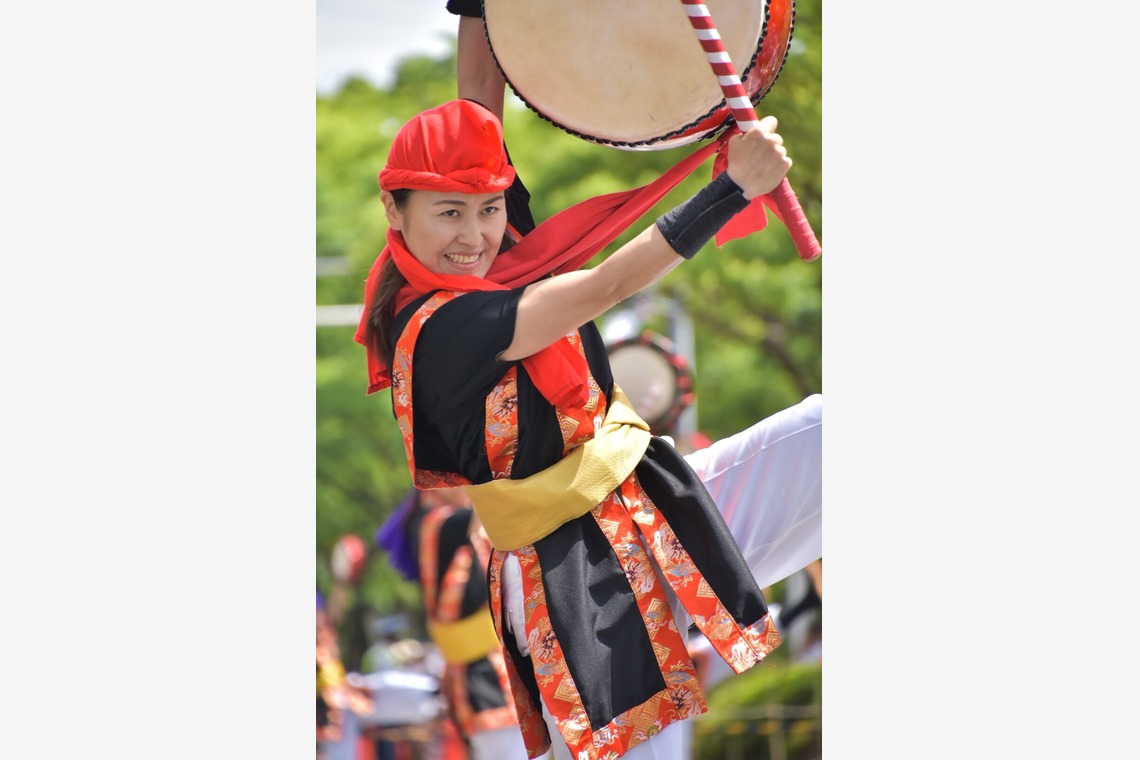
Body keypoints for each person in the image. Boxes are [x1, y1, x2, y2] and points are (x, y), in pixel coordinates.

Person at [355, 98, 821, 760]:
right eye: (449, 213)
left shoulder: (499, 257)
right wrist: (732, 189)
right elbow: (603, 286)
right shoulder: (440, 328)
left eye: (489, 209)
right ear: (395, 213)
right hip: (574, 574)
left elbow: (478, 110)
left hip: (645, 504)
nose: (475, 233)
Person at [377, 486, 540, 760]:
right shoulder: (434, 524)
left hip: (490, 671)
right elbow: (492, 501)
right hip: (483, 679)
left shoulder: (437, 524)